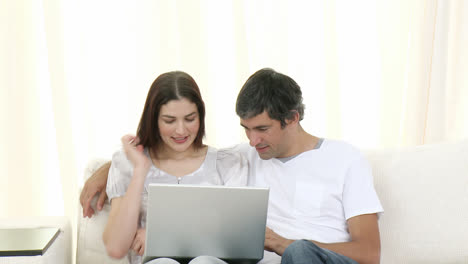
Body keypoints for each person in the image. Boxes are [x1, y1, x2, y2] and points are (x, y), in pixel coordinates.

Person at [81, 68, 383, 264]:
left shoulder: (345, 159)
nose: (253, 140)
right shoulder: (247, 155)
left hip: (312, 259)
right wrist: (110, 167)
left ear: (292, 118)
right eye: (246, 129)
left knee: (299, 252)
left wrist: (285, 244)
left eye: (262, 129)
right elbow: (175, 156)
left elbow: (369, 254)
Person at [99, 71, 248, 264]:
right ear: (153, 119)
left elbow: (235, 238)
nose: (181, 130)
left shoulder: (228, 164)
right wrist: (140, 171)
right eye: (169, 121)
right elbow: (116, 247)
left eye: (190, 119)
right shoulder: (126, 163)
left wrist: (158, 235)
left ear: (201, 116)